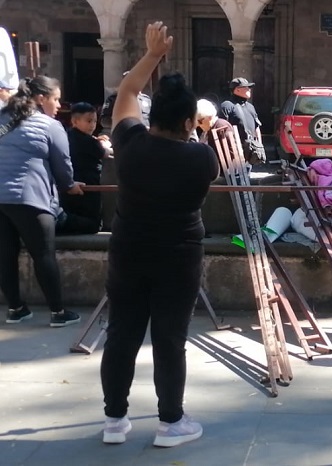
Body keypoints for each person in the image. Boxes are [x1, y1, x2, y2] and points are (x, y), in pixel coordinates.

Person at [99, 22, 219, 447]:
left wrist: (152, 55)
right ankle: (170, 422)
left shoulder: (129, 144)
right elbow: (195, 149)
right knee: (170, 339)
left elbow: (128, 92)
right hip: (179, 255)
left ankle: (115, 420)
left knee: (121, 334)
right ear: (189, 121)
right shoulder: (202, 159)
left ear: (154, 116)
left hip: (128, 250)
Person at [0, 76, 83, 327]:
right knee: (43, 254)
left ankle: (15, 308)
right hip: (30, 197)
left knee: (4, 254)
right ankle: (58, 312)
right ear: (41, 98)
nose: (59, 105)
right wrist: (69, 186)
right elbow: (63, 165)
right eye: (55, 99)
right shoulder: (49, 125)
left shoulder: (2, 118)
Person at [57, 102, 112, 235]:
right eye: (88, 121)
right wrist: (106, 144)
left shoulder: (68, 136)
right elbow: (105, 152)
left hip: (74, 182)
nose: (92, 125)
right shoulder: (88, 141)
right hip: (86, 183)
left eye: (94, 121)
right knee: (91, 222)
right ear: (75, 121)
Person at [220, 77, 265, 164]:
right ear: (237, 90)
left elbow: (256, 127)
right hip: (234, 152)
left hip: (250, 151)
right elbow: (221, 130)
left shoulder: (250, 107)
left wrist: (260, 146)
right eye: (246, 87)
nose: (249, 89)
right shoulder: (227, 106)